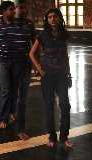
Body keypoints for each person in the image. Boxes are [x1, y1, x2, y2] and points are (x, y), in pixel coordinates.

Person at [0, 0, 36, 140]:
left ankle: (11, 113)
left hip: (19, 62)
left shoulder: (26, 24)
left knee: (14, 90)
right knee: (5, 90)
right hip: (2, 61)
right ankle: (3, 119)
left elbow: (34, 43)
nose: (16, 11)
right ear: (4, 11)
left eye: (21, 8)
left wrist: (35, 63)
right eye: (13, 9)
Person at [30, 8, 73, 149]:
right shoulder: (42, 35)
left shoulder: (64, 35)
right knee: (49, 106)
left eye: (55, 16)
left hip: (61, 75)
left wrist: (69, 73)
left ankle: (64, 136)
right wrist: (39, 69)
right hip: (48, 75)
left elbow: (65, 55)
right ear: (47, 20)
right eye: (49, 17)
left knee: (65, 105)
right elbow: (31, 53)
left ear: (60, 18)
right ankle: (52, 136)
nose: (52, 19)